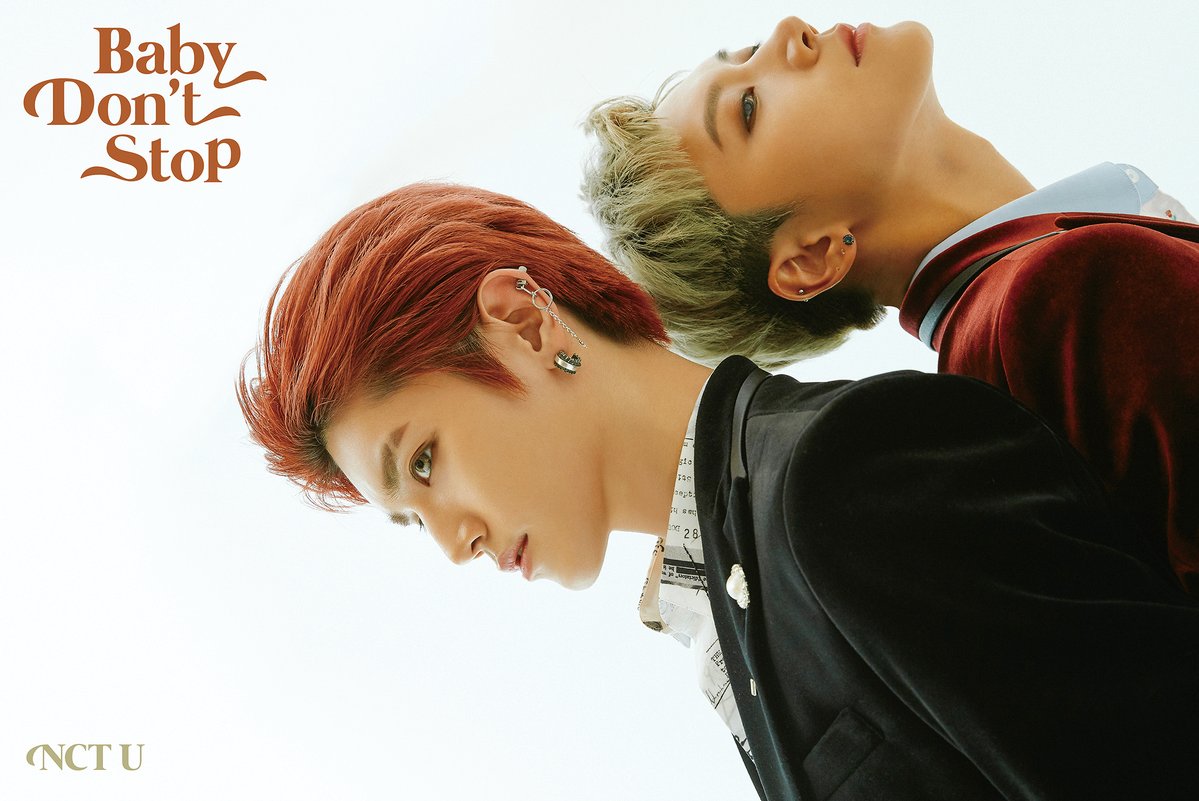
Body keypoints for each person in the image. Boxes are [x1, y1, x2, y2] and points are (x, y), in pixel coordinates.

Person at [239, 182, 1199, 801]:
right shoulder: (733, 593)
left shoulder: (841, 472)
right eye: (413, 522)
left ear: (524, 324)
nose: (456, 542)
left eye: (423, 463)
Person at [581, 16, 1199, 596]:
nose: (790, 31)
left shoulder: (1012, 341)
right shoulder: (1066, 297)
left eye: (749, 53)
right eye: (748, 108)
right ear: (811, 258)